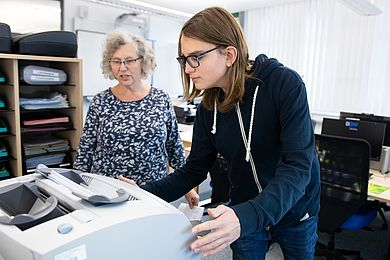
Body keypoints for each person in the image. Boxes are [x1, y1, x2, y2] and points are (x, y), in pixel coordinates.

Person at [121, 6, 321, 259]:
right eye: (184, 59)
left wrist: (250, 216)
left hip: (295, 210)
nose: (187, 68)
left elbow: (298, 166)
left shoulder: (284, 84)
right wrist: (143, 192)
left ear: (229, 54)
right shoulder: (209, 105)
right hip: (243, 209)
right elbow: (194, 169)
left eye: (196, 57)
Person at [74, 30, 199, 207]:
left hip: (153, 192)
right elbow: (85, 151)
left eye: (129, 61)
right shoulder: (100, 101)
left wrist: (187, 187)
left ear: (143, 62)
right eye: (116, 61)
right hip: (107, 193)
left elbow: (174, 147)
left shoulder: (160, 98)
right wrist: (76, 190)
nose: (122, 68)